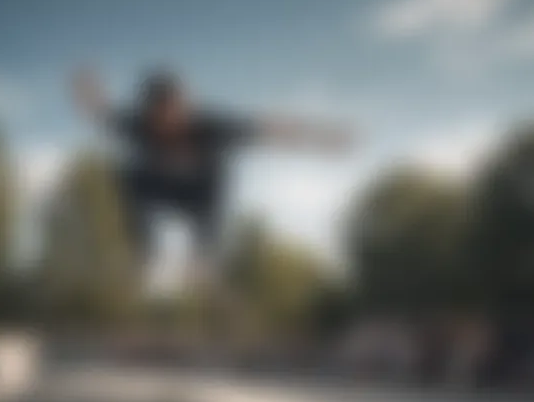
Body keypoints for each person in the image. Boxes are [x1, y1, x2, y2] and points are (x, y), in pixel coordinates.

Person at [71, 69, 359, 283]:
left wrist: (324, 136)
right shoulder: (138, 125)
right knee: (127, 175)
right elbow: (104, 115)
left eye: (177, 112)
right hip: (161, 189)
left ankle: (203, 251)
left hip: (201, 197)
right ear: (151, 112)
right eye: (162, 116)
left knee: (218, 174)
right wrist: (89, 92)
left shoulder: (211, 126)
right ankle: (145, 249)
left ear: (183, 108)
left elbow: (270, 130)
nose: (170, 122)